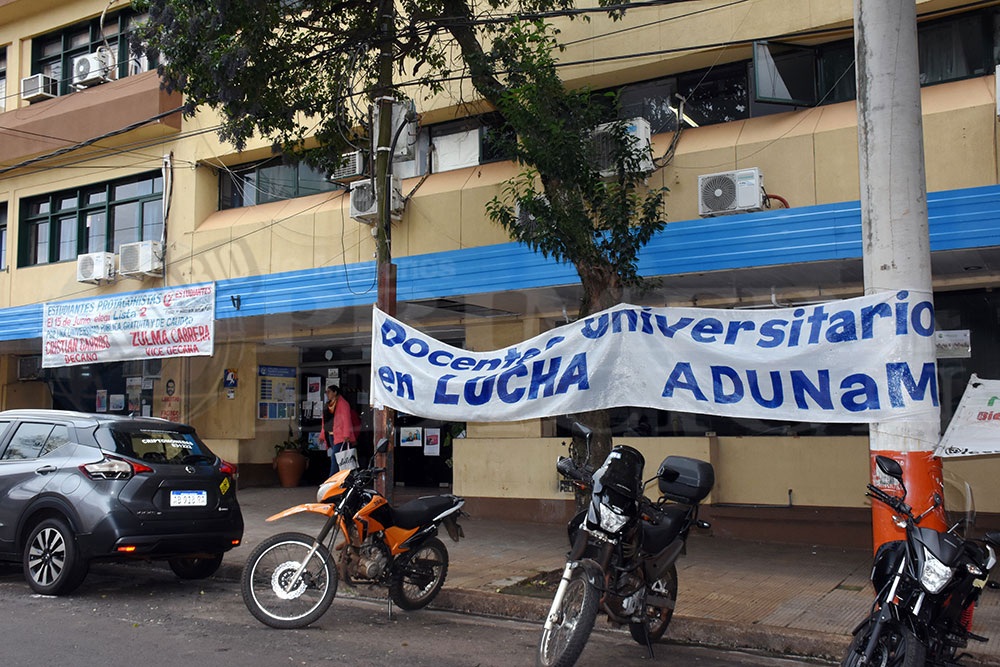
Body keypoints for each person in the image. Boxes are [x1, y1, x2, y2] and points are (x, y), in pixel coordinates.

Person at [324, 384, 357, 475]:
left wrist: (346, 434)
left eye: (329, 392)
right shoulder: (329, 404)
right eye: (326, 392)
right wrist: (323, 434)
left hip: (341, 436)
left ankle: (332, 478)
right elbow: (325, 420)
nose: (327, 394)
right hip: (331, 435)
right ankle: (341, 478)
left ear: (335, 392)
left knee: (336, 458)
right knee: (338, 458)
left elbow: (346, 419)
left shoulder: (343, 404)